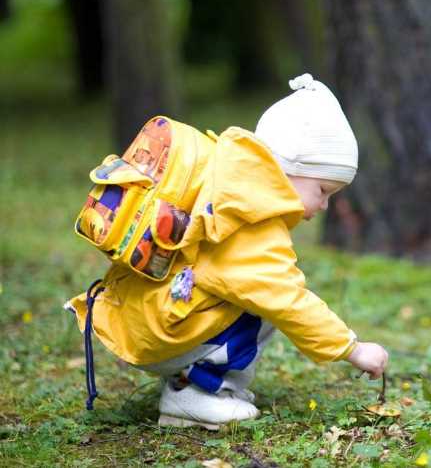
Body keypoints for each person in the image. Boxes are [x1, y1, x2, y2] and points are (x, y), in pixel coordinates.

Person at [65, 73, 389, 430]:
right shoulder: (251, 220)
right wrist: (353, 349)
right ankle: (196, 396)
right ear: (290, 171)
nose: (325, 205)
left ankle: (195, 383)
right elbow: (287, 301)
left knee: (254, 297)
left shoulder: (228, 180)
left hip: (142, 311)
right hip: (158, 330)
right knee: (264, 307)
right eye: (323, 189)